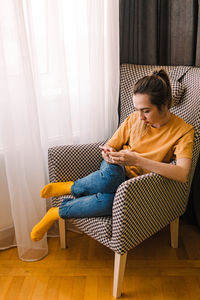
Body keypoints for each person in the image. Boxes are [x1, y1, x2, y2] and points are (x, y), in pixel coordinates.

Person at [31, 69, 194, 242]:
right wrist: (108, 154)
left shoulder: (183, 132)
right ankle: (72, 187)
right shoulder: (134, 119)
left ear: (164, 105)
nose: (140, 116)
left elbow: (182, 173)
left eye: (146, 111)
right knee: (111, 177)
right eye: (137, 109)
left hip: (136, 186)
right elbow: (110, 145)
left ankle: (56, 212)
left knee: (113, 203)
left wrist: (137, 160)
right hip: (114, 170)